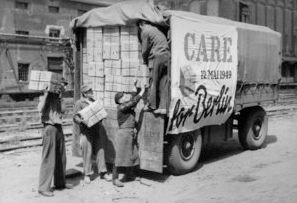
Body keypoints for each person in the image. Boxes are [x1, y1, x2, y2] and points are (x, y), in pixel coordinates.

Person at [37, 79, 73, 197]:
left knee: (61, 157)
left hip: (58, 128)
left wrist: (61, 97)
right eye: (62, 86)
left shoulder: (58, 98)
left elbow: (64, 110)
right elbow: (40, 109)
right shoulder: (44, 97)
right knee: (48, 158)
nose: (63, 88)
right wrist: (46, 94)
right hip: (49, 128)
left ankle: (60, 183)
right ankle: (43, 187)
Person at [73, 85, 112, 184]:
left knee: (100, 151)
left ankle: (103, 172)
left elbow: (100, 113)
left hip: (97, 129)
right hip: (86, 131)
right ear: (84, 93)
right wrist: (82, 121)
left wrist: (102, 115)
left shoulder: (95, 102)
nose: (91, 92)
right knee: (87, 152)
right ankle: (87, 174)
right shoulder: (79, 103)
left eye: (91, 90)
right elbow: (75, 117)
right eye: (89, 91)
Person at [112, 84, 146, 187]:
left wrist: (134, 89)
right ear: (120, 100)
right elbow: (133, 101)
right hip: (123, 135)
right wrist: (142, 91)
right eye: (123, 96)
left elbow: (132, 101)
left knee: (132, 155)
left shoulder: (125, 106)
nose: (125, 97)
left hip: (129, 134)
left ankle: (128, 175)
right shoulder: (121, 107)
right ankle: (115, 179)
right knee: (119, 157)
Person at [137, 20, 170, 115]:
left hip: (158, 56)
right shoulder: (156, 29)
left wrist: (144, 61)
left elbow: (144, 50)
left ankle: (151, 106)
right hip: (167, 56)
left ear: (140, 25)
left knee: (153, 81)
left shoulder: (145, 31)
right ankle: (163, 107)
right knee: (163, 84)